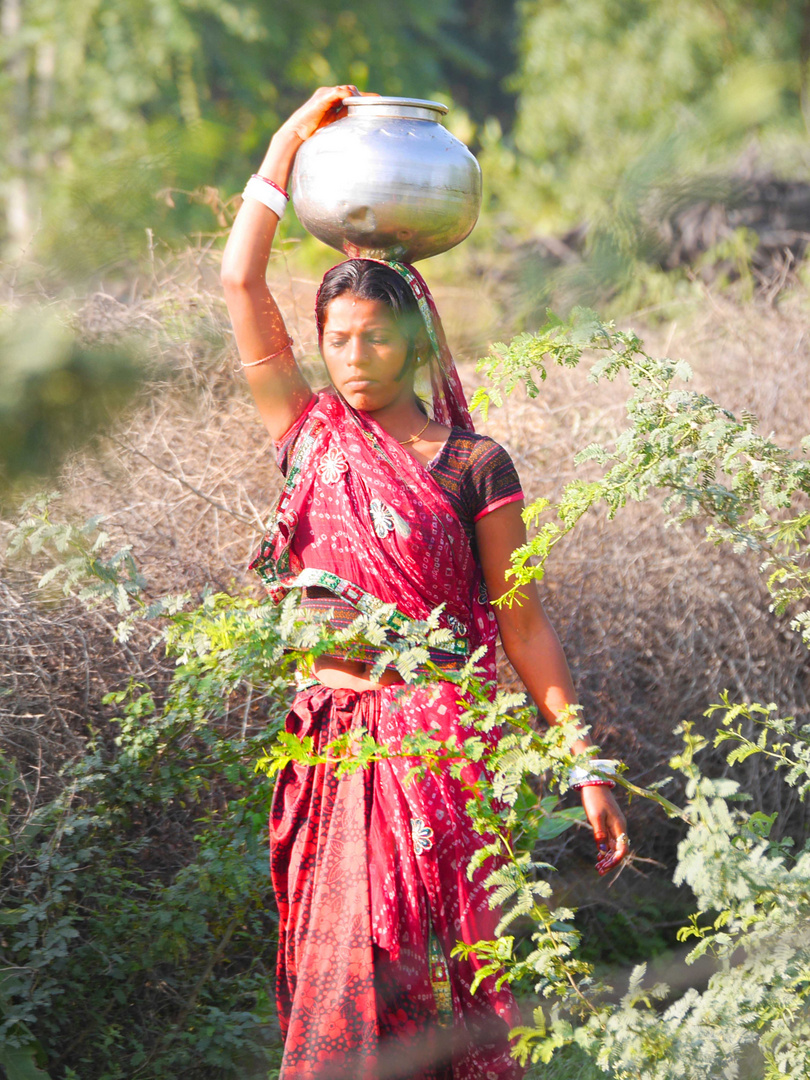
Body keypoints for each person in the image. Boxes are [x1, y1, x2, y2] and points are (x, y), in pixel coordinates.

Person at [221, 85, 629, 1080]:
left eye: (376, 338)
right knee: (336, 989)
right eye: (338, 341)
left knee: (434, 976)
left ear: (419, 343)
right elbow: (240, 284)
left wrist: (585, 763)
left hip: (436, 751)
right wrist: (286, 146)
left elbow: (523, 625)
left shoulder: (472, 463)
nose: (355, 359)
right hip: (327, 745)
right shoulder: (310, 436)